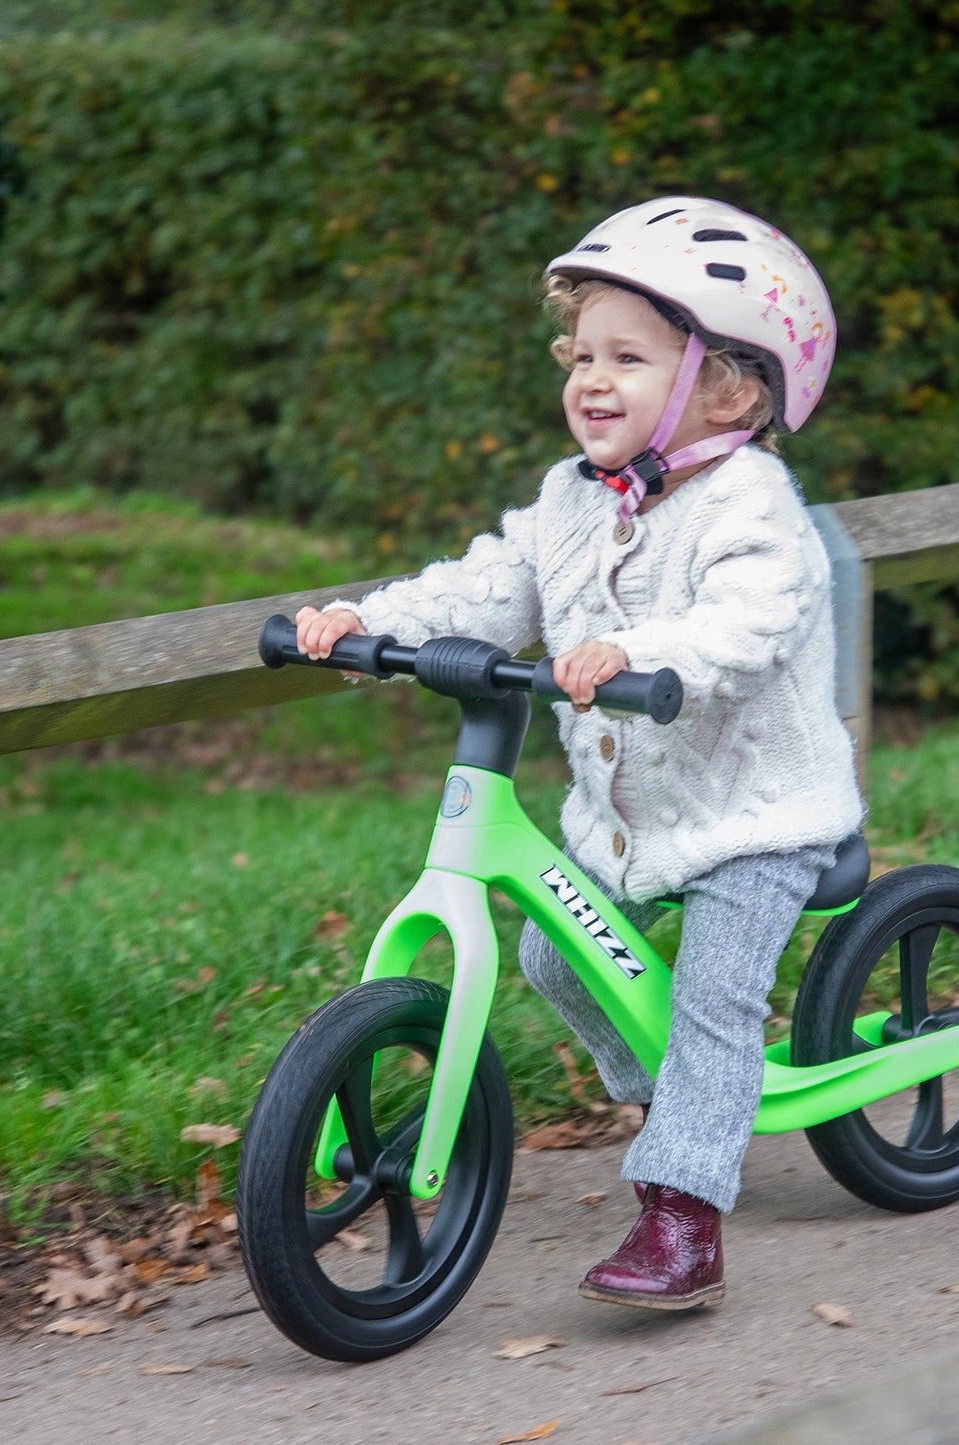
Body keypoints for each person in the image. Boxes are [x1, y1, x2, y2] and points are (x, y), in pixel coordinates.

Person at [295, 196, 863, 1311]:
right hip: (626, 820)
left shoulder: (751, 502)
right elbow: (486, 589)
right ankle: (706, 1099)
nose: (591, 379)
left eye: (630, 358)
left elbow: (745, 625)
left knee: (708, 998)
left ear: (728, 387)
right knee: (558, 955)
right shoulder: (570, 499)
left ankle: (683, 1209)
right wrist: (368, 624)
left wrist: (635, 650)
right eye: (581, 355)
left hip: (756, 816)